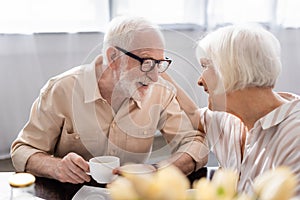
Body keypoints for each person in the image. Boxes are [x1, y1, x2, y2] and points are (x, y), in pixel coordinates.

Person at [11, 16, 208, 184]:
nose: (155, 76)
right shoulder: (61, 89)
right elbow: (22, 150)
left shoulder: (160, 91)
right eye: (147, 62)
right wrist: (56, 167)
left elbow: (194, 144)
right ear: (113, 57)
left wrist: (159, 169)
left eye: (159, 63)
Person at [162, 23, 300, 196]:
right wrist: (159, 73)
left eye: (206, 66)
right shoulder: (229, 119)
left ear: (233, 69)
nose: (200, 80)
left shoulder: (294, 135)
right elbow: (191, 114)